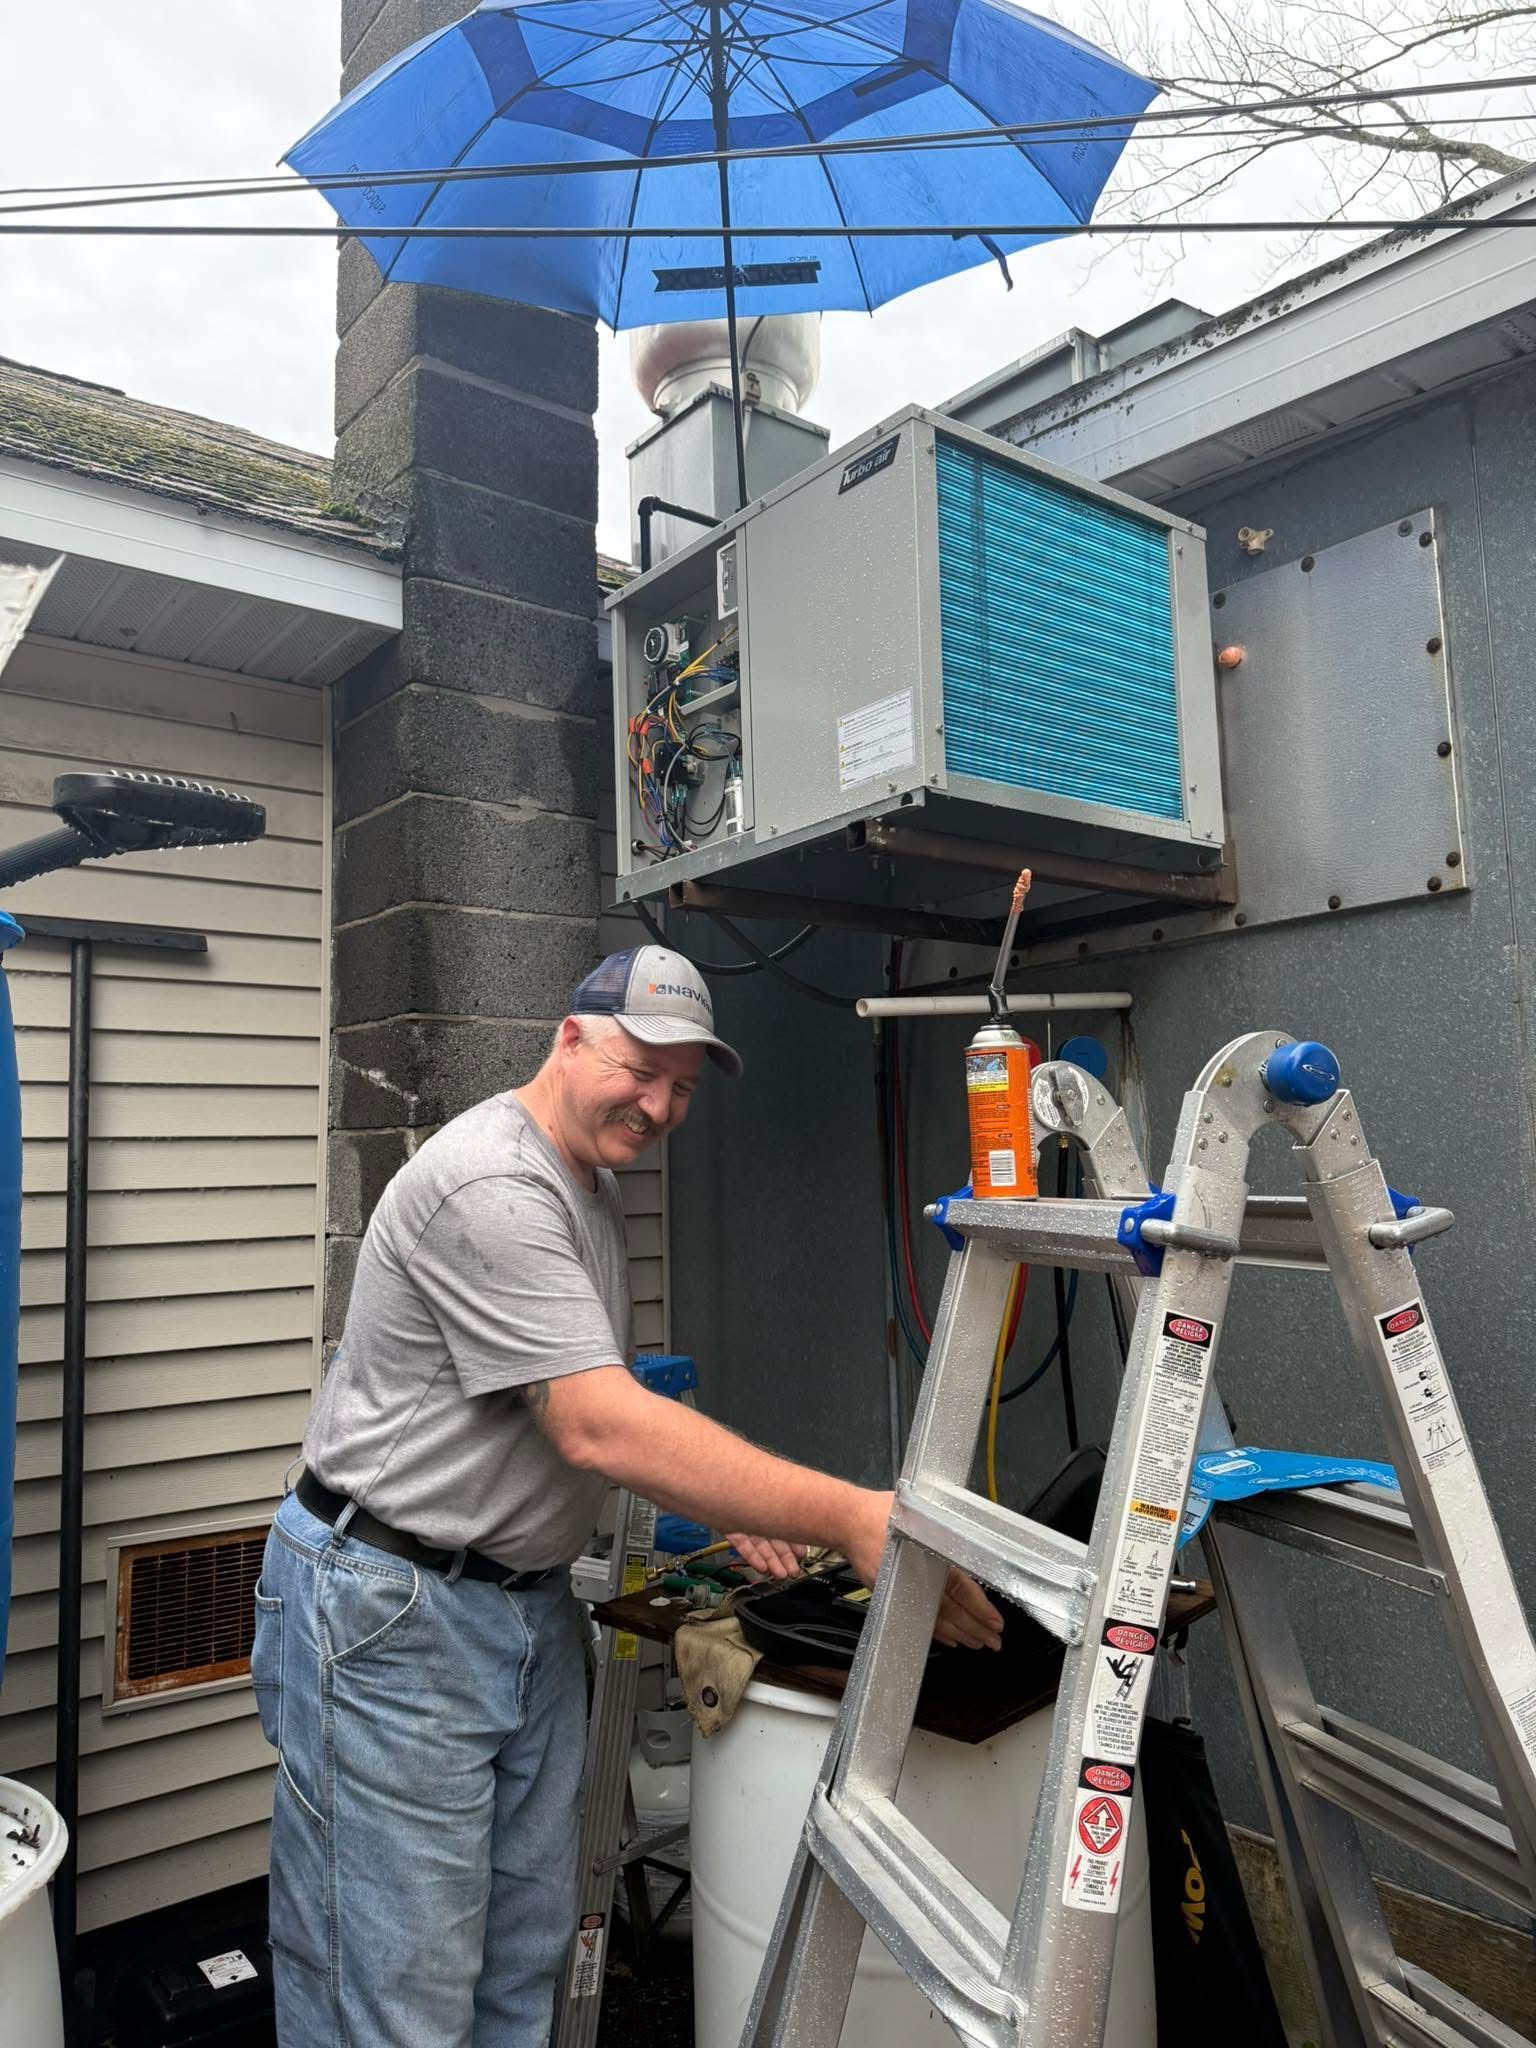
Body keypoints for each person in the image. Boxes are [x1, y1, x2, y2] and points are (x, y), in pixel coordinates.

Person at [252, 943, 1003, 2048]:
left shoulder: (588, 1187)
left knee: (518, 1966)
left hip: (516, 1609)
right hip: (391, 1613)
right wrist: (845, 1511)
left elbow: (602, 1397)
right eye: (641, 1067)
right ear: (569, 1038)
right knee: (391, 1993)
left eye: (684, 1086)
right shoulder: (493, 1185)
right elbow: (595, 1418)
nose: (658, 1103)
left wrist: (737, 1497)